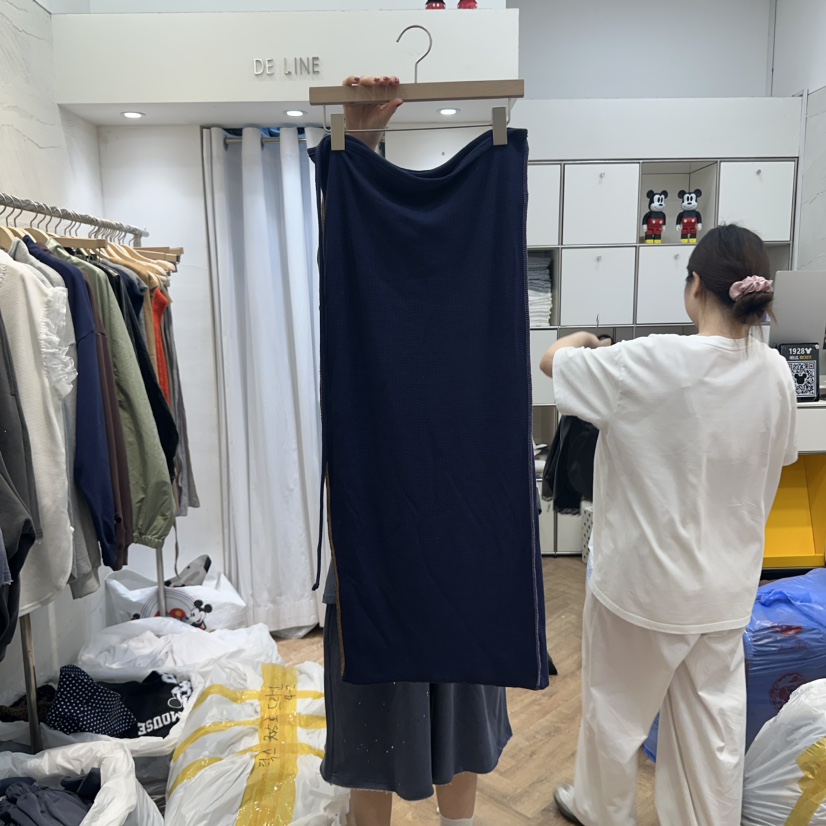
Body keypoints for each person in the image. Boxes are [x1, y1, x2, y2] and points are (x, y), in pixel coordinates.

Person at [541, 225, 798, 826]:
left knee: (614, 714)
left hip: (641, 590)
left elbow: (554, 363)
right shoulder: (776, 374)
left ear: (695, 288)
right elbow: (780, 457)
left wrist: (584, 339)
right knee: (712, 733)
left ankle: (601, 811)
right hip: (725, 592)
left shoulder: (647, 359)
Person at [319, 75, 512, 826]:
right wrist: (359, 143)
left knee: (449, 712)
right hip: (382, 540)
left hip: (459, 542)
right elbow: (343, 247)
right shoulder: (363, 312)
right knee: (377, 717)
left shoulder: (474, 317)